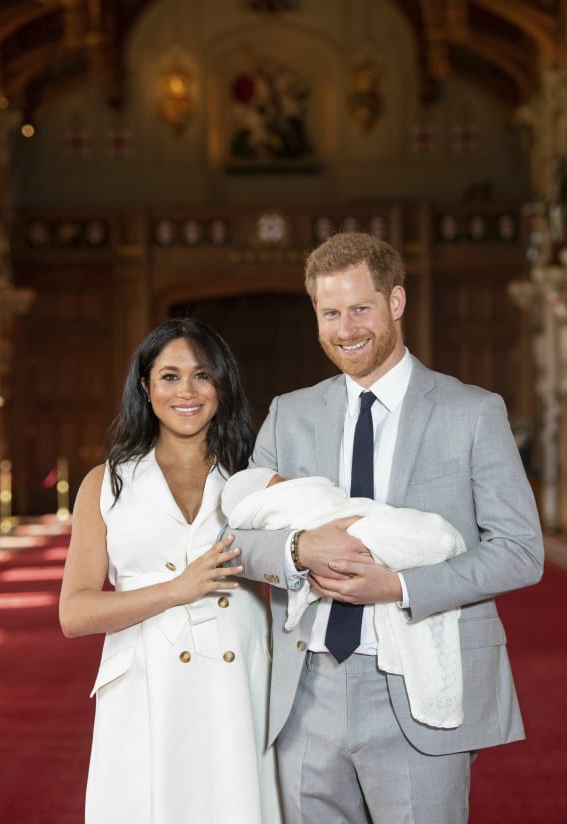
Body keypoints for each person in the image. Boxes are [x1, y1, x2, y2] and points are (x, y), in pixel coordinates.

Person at [228, 232, 544, 824]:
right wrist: (299, 548)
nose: (345, 329)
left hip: (416, 682)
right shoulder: (289, 414)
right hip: (306, 689)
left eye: (360, 308)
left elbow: (521, 551)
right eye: (329, 313)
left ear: (395, 302)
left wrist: (400, 588)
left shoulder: (472, 412)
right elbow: (239, 537)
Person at [59, 317, 283, 824]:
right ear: (145, 386)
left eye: (202, 375)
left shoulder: (255, 478)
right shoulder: (106, 483)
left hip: (240, 683)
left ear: (221, 385)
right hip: (144, 684)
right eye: (170, 376)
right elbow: (74, 613)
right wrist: (177, 589)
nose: (188, 390)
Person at [222, 467, 466, 729]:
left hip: (395, 666)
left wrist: (401, 586)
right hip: (309, 677)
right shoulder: (280, 432)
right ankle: (434, 539)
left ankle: (434, 539)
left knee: (409, 533)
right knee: (404, 536)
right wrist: (299, 548)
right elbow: (232, 542)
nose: (291, 481)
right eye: (281, 482)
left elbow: (513, 546)